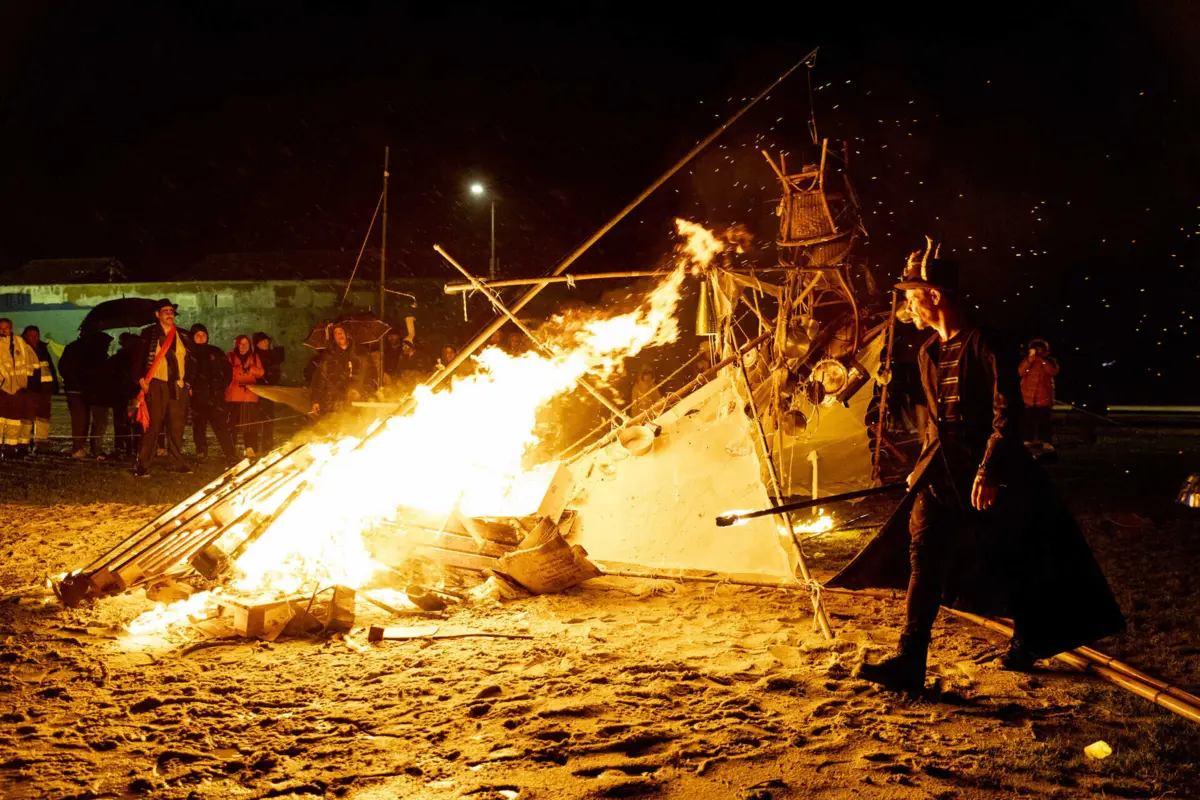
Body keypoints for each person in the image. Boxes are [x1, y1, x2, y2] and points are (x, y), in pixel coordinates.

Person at [845, 256, 1123, 692]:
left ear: (935, 296)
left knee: (1012, 556)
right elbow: (933, 419)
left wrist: (990, 468)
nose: (909, 309)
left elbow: (1006, 412)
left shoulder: (986, 343)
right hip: (941, 474)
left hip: (987, 474)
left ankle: (1029, 637)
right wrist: (921, 463)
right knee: (924, 554)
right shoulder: (927, 352)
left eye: (913, 299)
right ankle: (910, 660)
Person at [133, 299, 192, 477]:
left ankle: (178, 462)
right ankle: (143, 465)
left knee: (176, 426)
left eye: (171, 311)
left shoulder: (183, 335)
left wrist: (189, 380)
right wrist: (139, 379)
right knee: (153, 425)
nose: (169, 313)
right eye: (165, 311)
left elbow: (191, 361)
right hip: (157, 383)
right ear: (157, 315)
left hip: (177, 385)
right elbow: (137, 358)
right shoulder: (148, 333)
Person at [59, 329, 114, 459]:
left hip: (78, 390)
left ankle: (79, 449)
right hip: (90, 391)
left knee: (81, 421)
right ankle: (94, 449)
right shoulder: (96, 351)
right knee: (96, 420)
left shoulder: (73, 348)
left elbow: (63, 368)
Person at [186, 324, 236, 465]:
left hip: (215, 396)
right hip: (198, 396)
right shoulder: (189, 353)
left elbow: (227, 370)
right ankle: (201, 451)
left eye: (203, 335)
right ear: (193, 337)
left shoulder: (216, 351)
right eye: (198, 335)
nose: (201, 338)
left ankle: (229, 453)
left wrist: (222, 386)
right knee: (199, 427)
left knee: (221, 426)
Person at [310, 325, 369, 416]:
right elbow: (320, 378)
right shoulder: (329, 356)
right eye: (336, 333)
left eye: (341, 331)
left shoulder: (360, 353)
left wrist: (362, 391)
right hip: (334, 402)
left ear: (347, 334)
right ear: (333, 337)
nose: (339, 335)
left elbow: (368, 376)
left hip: (356, 402)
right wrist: (316, 400)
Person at [0, 318, 38, 457]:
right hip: (2, 388)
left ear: (11, 328)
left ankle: (11, 448)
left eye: (6, 328)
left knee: (14, 420)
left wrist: (25, 383)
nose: (3, 331)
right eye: (1, 328)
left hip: (18, 388)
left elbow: (31, 362)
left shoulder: (20, 343)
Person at [226, 335, 265, 459]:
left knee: (249, 424)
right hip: (234, 395)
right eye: (241, 344)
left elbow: (260, 372)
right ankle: (230, 449)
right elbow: (226, 371)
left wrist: (250, 368)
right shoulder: (231, 356)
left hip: (249, 395)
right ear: (237, 345)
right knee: (233, 424)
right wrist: (239, 369)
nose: (243, 346)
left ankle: (250, 448)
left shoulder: (254, 357)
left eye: (246, 344)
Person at [21, 326, 59, 451]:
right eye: (31, 335)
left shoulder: (42, 347)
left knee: (43, 416)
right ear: (25, 336)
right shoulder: (21, 347)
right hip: (29, 388)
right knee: (27, 416)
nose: (34, 338)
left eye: (36, 335)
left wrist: (54, 384)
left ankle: (41, 442)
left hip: (45, 387)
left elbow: (49, 366)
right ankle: (23, 442)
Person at [1019, 338, 1059, 452]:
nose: (1037, 350)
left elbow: (1052, 371)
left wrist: (1041, 360)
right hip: (1028, 397)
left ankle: (1046, 441)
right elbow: (1020, 372)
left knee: (1044, 421)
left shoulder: (1050, 361)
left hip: (1044, 397)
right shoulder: (1027, 360)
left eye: (1039, 348)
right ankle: (1027, 440)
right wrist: (1030, 359)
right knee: (1028, 421)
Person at [108, 333, 142, 458]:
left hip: (120, 395)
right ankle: (135, 447)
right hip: (132, 394)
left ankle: (122, 446)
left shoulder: (116, 359)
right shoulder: (139, 360)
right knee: (136, 422)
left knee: (121, 422)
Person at [252, 332, 284, 451]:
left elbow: (280, 355)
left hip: (269, 390)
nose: (266, 343)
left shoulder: (272, 354)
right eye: (263, 341)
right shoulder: (254, 356)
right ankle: (253, 447)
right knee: (254, 420)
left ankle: (267, 445)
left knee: (268, 418)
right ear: (257, 344)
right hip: (257, 390)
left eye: (267, 340)